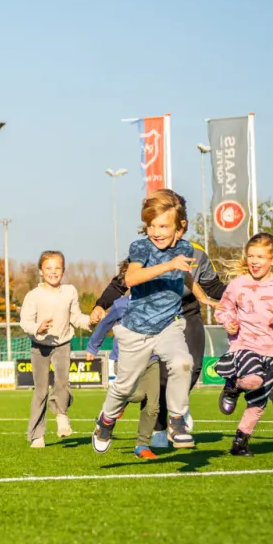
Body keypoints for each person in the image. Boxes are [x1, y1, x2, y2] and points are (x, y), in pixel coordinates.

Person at [91, 189, 210, 454]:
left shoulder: (186, 248)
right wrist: (169, 265)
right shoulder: (141, 246)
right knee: (123, 388)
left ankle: (177, 420)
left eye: (163, 226)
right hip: (136, 329)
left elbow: (187, 277)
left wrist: (204, 297)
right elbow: (131, 279)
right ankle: (105, 421)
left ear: (180, 228)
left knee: (183, 363)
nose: (155, 231)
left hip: (168, 325)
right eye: (151, 225)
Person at [212, 233, 273, 458]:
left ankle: (240, 443)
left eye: (260, 256)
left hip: (272, 352)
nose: (254, 261)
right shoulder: (238, 285)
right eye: (251, 255)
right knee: (253, 380)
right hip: (244, 346)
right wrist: (228, 322)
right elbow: (222, 310)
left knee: (259, 402)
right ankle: (233, 384)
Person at [86, 263, 164, 460]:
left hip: (152, 360)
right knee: (136, 394)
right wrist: (92, 347)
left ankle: (142, 445)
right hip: (125, 359)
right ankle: (109, 414)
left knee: (153, 405)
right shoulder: (121, 305)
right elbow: (104, 326)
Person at [19, 250, 91, 448]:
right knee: (41, 391)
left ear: (64, 270)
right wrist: (37, 328)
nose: (53, 272)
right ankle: (36, 435)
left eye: (57, 268)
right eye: (48, 268)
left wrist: (91, 321)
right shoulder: (33, 295)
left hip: (63, 344)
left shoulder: (70, 291)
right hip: (39, 346)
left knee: (62, 383)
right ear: (41, 271)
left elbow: (76, 317)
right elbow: (25, 321)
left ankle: (61, 415)